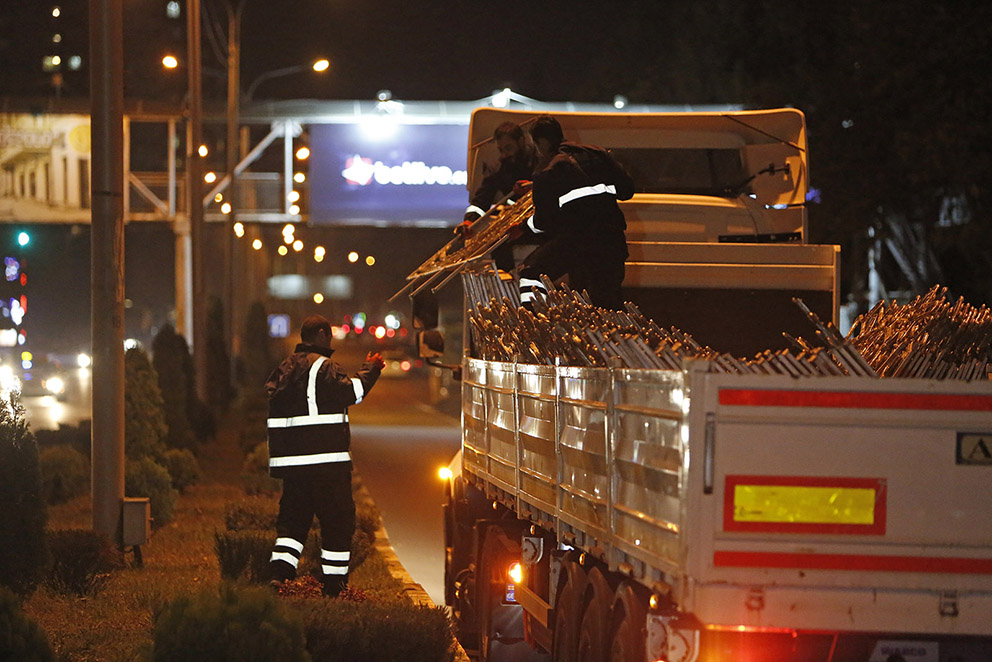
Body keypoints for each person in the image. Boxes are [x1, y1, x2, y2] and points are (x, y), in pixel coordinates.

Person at [266, 315, 385, 596]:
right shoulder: (324, 367)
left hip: (294, 468)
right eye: (328, 334)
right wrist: (372, 368)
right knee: (338, 524)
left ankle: (279, 578)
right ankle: (334, 587)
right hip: (327, 466)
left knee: (292, 524)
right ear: (319, 335)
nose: (330, 340)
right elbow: (353, 392)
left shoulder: (283, 369)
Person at [516, 115, 634, 310]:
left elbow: (544, 222)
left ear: (543, 142)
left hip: (578, 246)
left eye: (537, 146)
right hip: (612, 244)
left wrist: (522, 227)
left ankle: (535, 322)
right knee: (607, 303)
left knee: (531, 273)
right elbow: (626, 190)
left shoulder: (546, 173)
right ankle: (616, 336)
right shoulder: (598, 154)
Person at [456, 121, 542, 272]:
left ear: (521, 141)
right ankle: (507, 281)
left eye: (508, 148)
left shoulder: (539, 159)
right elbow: (481, 200)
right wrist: (470, 221)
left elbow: (554, 185)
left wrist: (532, 187)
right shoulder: (499, 168)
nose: (504, 154)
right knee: (498, 239)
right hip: (519, 224)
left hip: (544, 219)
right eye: (501, 150)